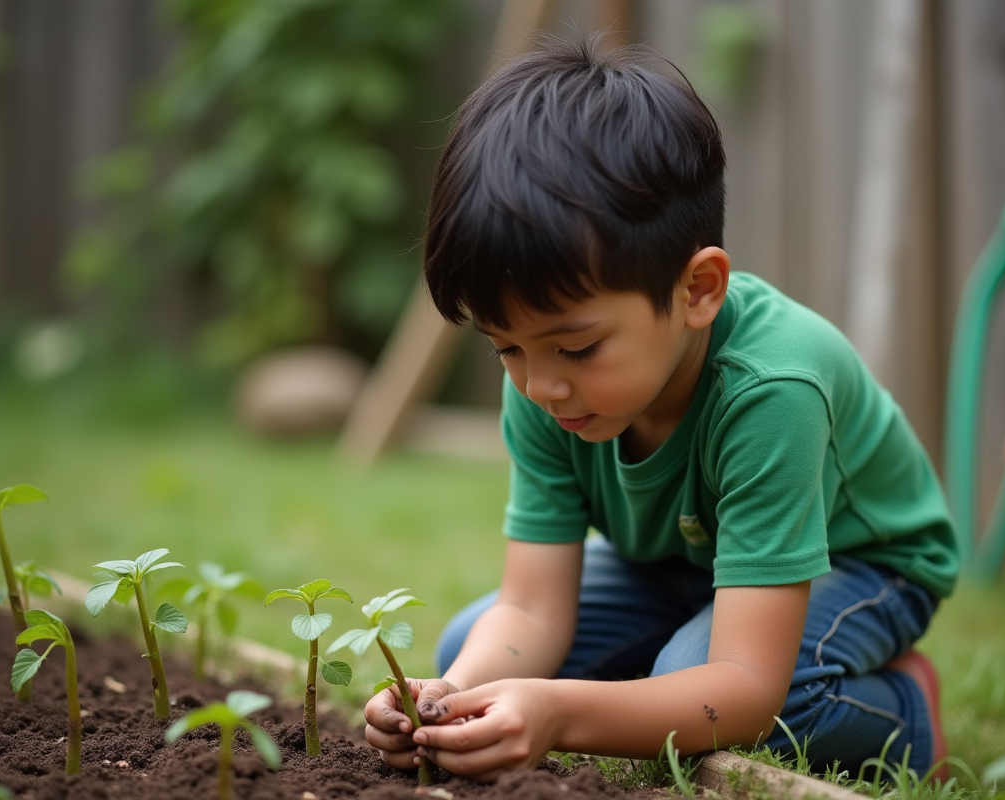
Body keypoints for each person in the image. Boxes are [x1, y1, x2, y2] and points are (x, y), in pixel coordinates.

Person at [363, 33, 958, 783]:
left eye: (576, 349)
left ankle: (906, 708)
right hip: (691, 560)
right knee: (466, 650)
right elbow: (532, 611)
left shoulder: (771, 389)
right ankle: (681, 663)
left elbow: (743, 685)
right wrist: (449, 698)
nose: (540, 386)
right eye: (503, 347)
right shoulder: (545, 380)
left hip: (865, 563)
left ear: (699, 290)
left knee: (723, 698)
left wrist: (562, 713)